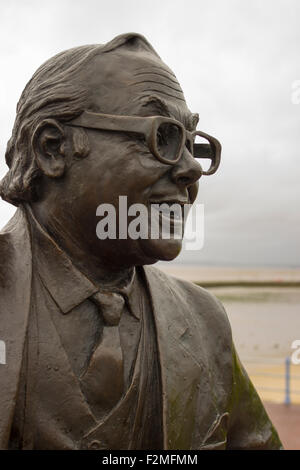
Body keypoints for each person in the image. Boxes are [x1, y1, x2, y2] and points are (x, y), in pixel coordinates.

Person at [0, 33, 282, 450]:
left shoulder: (205, 321)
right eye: (162, 137)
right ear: (52, 149)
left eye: (191, 143)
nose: (190, 169)